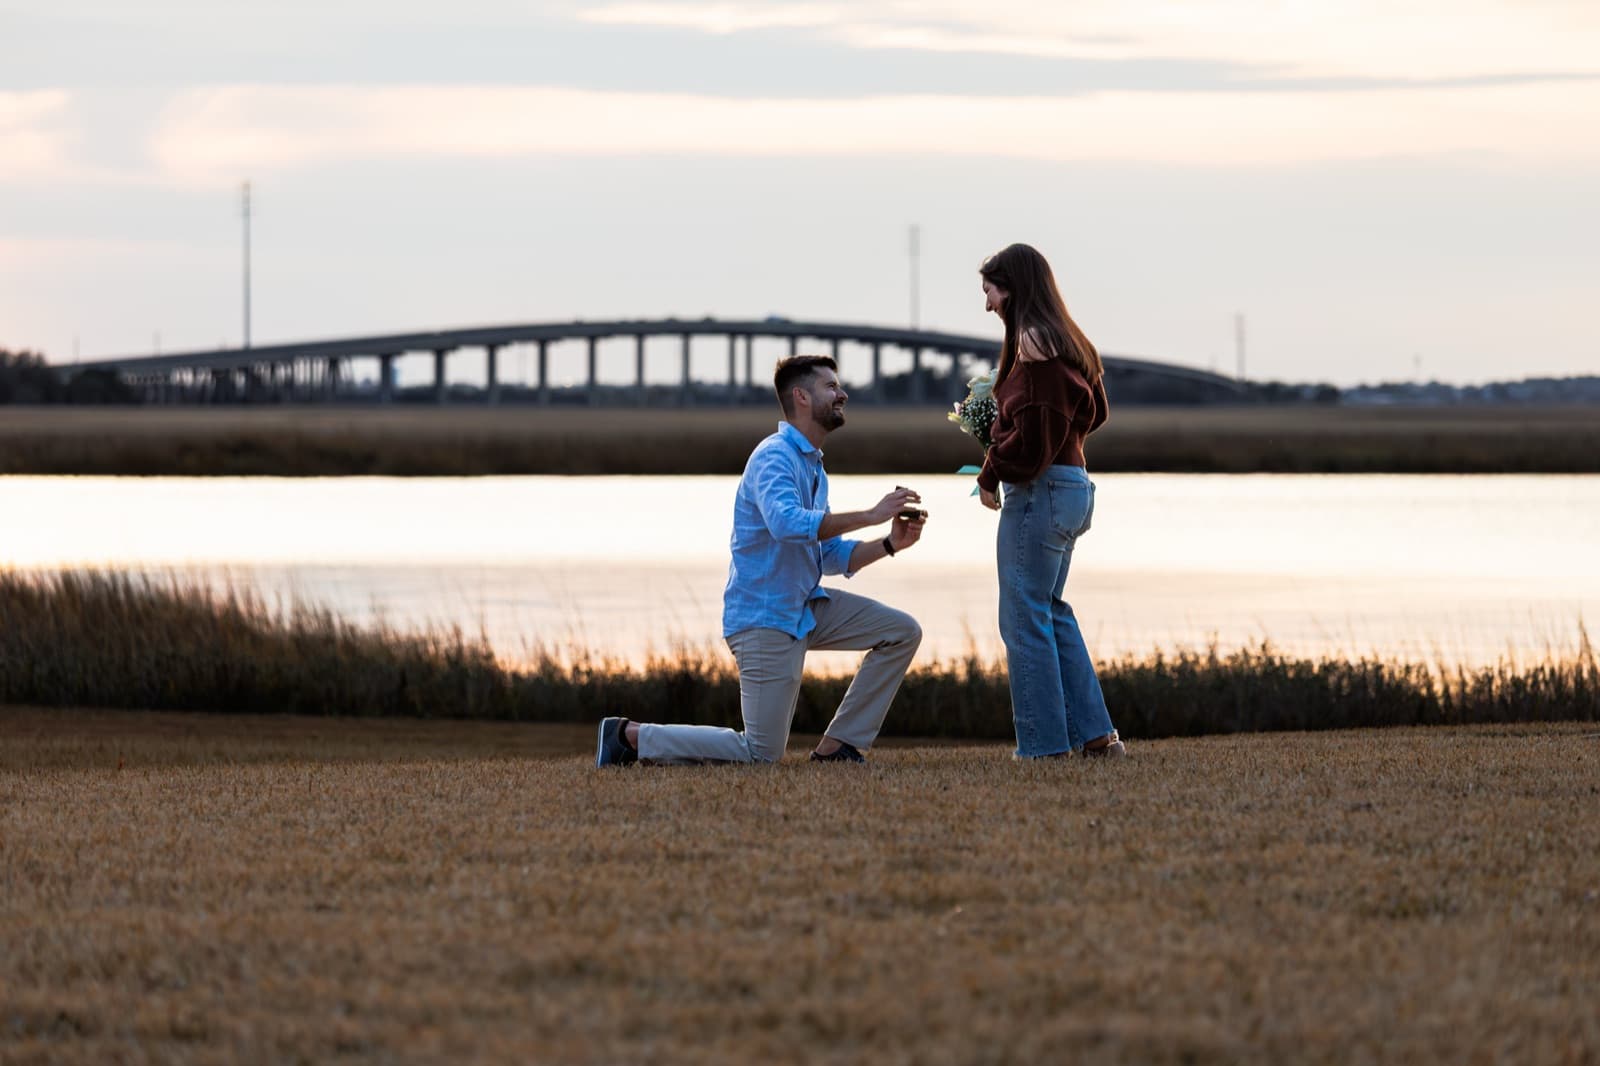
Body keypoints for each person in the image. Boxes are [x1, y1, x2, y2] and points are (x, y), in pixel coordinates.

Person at [596, 354, 926, 767]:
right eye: (831, 386)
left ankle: (839, 746)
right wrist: (870, 513)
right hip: (765, 617)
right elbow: (788, 524)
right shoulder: (774, 457)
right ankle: (629, 737)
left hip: (806, 607)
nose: (842, 394)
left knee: (901, 632)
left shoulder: (812, 467)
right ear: (801, 397)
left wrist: (890, 542)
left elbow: (826, 554)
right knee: (761, 753)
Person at [975, 243, 1126, 759]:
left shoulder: (1034, 342)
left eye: (990, 291)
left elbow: (1035, 442)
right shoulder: (1068, 340)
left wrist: (991, 467)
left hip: (1041, 494)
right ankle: (1097, 738)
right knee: (1049, 611)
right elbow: (1094, 413)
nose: (989, 304)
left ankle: (1043, 747)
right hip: (1073, 486)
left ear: (1012, 287)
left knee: (1022, 619)